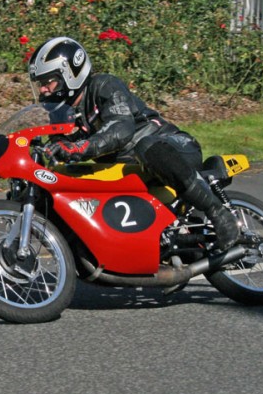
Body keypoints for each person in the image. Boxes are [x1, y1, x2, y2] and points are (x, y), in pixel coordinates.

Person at [28, 36, 240, 251]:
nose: (44, 90)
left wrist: (80, 148)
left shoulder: (104, 85)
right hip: (132, 170)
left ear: (70, 74)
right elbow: (59, 146)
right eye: (40, 85)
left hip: (172, 148)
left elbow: (121, 128)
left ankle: (218, 213)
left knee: (147, 146)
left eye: (48, 82)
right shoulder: (62, 114)